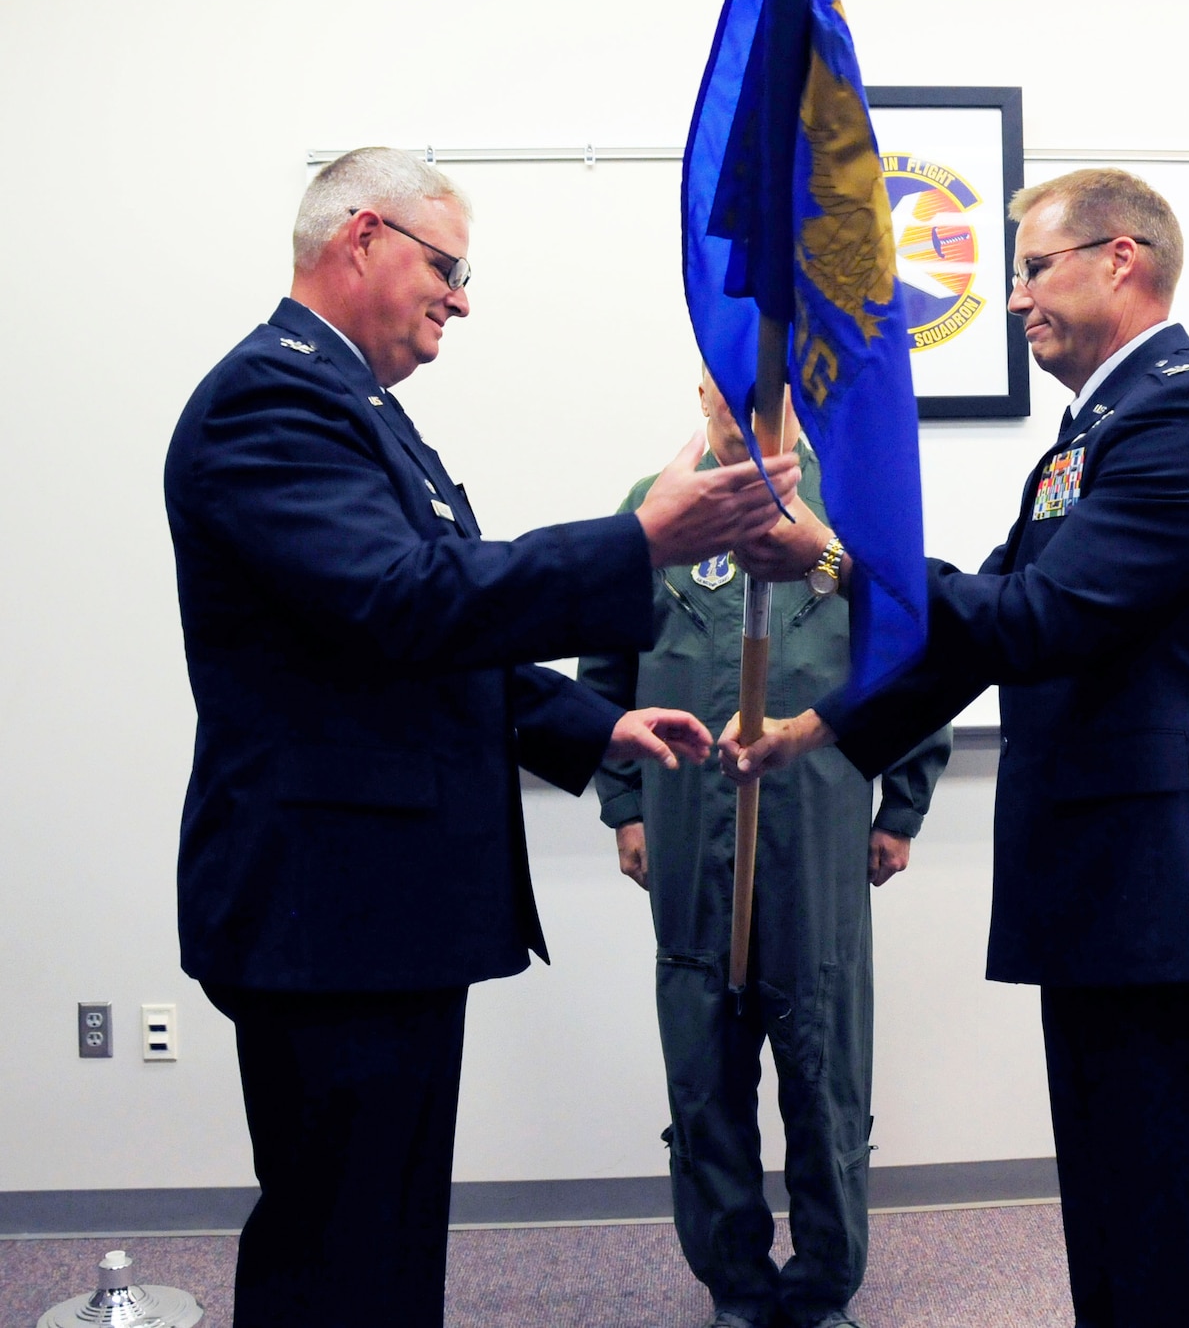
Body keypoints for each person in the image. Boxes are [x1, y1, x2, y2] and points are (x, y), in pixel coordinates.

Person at [163, 146, 800, 1327]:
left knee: (384, 1227)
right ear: (361, 238)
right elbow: (401, 601)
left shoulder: (359, 412)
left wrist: (593, 716)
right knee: (337, 1238)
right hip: (329, 906)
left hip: (374, 906)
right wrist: (639, 542)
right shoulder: (275, 402)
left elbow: (430, 633)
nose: (461, 297)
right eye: (447, 266)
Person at [724, 168, 1189, 1327]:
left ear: (1119, 260)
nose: (1018, 298)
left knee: (1174, 1198)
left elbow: (1045, 623)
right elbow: (986, 616)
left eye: (1033, 268)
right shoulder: (1099, 429)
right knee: (1113, 1192)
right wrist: (819, 729)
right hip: (1106, 881)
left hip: (1165, 885)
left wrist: (837, 558)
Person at [577, 371, 949, 1328]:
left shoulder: (853, 513)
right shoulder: (652, 509)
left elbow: (913, 655)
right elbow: (604, 671)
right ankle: (737, 1287)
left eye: (769, 390)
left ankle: (824, 1285)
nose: (747, 410)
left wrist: (899, 808)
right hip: (688, 823)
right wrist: (626, 807)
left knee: (823, 1062)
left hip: (817, 824)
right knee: (704, 1069)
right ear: (700, 390)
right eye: (727, 388)